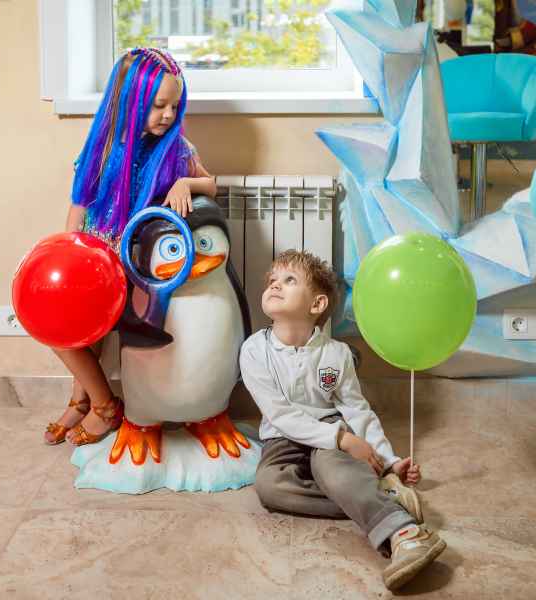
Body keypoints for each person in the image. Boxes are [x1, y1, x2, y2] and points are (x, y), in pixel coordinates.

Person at [239, 249, 446, 591]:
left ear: (317, 304)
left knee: (334, 471)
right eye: (272, 280)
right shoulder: (253, 350)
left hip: (332, 429)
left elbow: (356, 409)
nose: (274, 285)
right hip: (282, 437)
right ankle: (386, 500)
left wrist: (388, 461)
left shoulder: (336, 354)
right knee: (270, 487)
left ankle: (405, 534)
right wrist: (343, 440)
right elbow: (280, 414)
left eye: (289, 280)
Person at [44, 47, 216, 446]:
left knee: (84, 332)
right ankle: (86, 400)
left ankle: (103, 406)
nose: (168, 115)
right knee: (63, 327)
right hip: (90, 257)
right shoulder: (103, 147)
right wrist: (69, 251)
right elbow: (79, 204)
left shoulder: (176, 150)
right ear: (131, 99)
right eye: (159, 105)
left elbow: (211, 183)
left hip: (128, 267)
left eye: (174, 106)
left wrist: (185, 182)